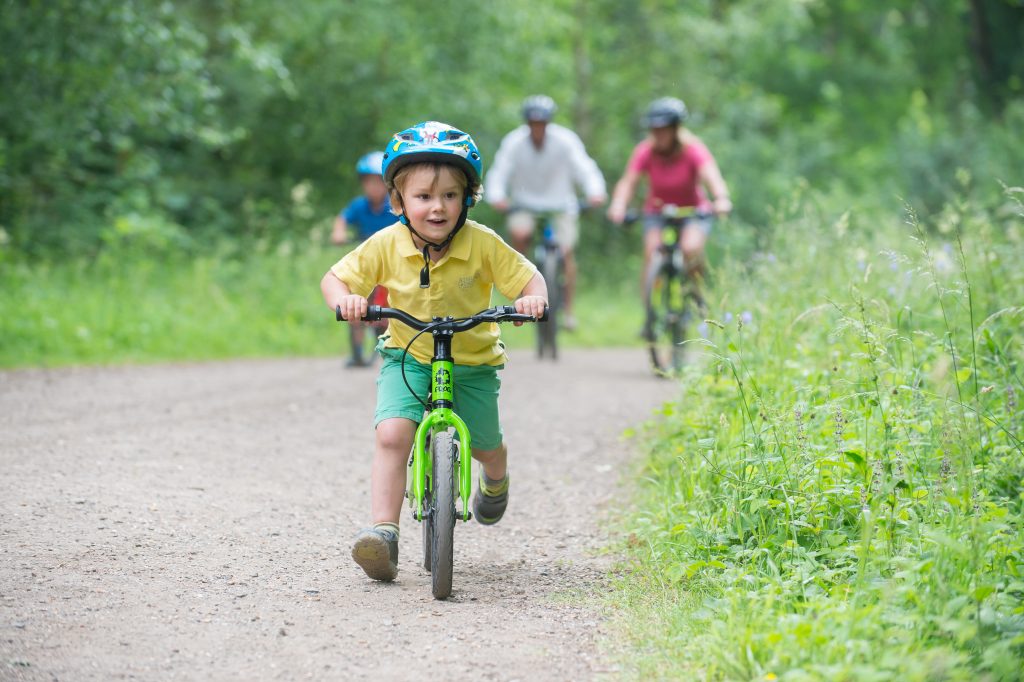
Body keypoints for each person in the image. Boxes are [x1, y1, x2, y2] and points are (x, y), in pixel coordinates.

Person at [320, 121, 548, 582]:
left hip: (473, 362)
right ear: (399, 202)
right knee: (392, 435)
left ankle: (496, 477)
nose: (437, 206)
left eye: (449, 195)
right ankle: (383, 534)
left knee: (485, 445)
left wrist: (532, 300)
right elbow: (335, 279)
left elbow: (530, 280)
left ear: (468, 199)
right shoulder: (386, 243)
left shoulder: (483, 243)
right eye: (423, 196)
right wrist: (346, 300)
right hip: (407, 355)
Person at [484, 95, 606, 331]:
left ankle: (568, 312)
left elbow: (585, 168)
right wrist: (497, 196)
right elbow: (500, 171)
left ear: (549, 122)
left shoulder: (565, 140)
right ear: (527, 123)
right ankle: (521, 294)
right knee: (520, 235)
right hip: (525, 204)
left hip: (561, 204)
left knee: (566, 252)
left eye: (541, 123)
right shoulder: (514, 142)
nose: (537, 128)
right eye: (533, 123)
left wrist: (595, 192)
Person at [607, 96, 732, 291]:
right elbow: (628, 182)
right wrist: (618, 204)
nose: (658, 134)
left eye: (663, 129)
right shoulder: (645, 151)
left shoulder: (693, 149)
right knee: (652, 251)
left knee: (691, 249)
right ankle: (650, 305)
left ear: (675, 129)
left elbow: (712, 176)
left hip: (693, 210)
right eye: (654, 129)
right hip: (657, 211)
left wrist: (721, 199)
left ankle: (696, 293)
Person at [330, 151, 395, 367]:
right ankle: (357, 352)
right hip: (366, 265)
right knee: (354, 304)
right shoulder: (359, 205)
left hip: (390, 265)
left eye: (378, 182)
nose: (373, 187)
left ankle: (390, 349)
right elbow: (342, 219)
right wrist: (339, 232)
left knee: (389, 307)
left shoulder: (394, 206)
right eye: (368, 182)